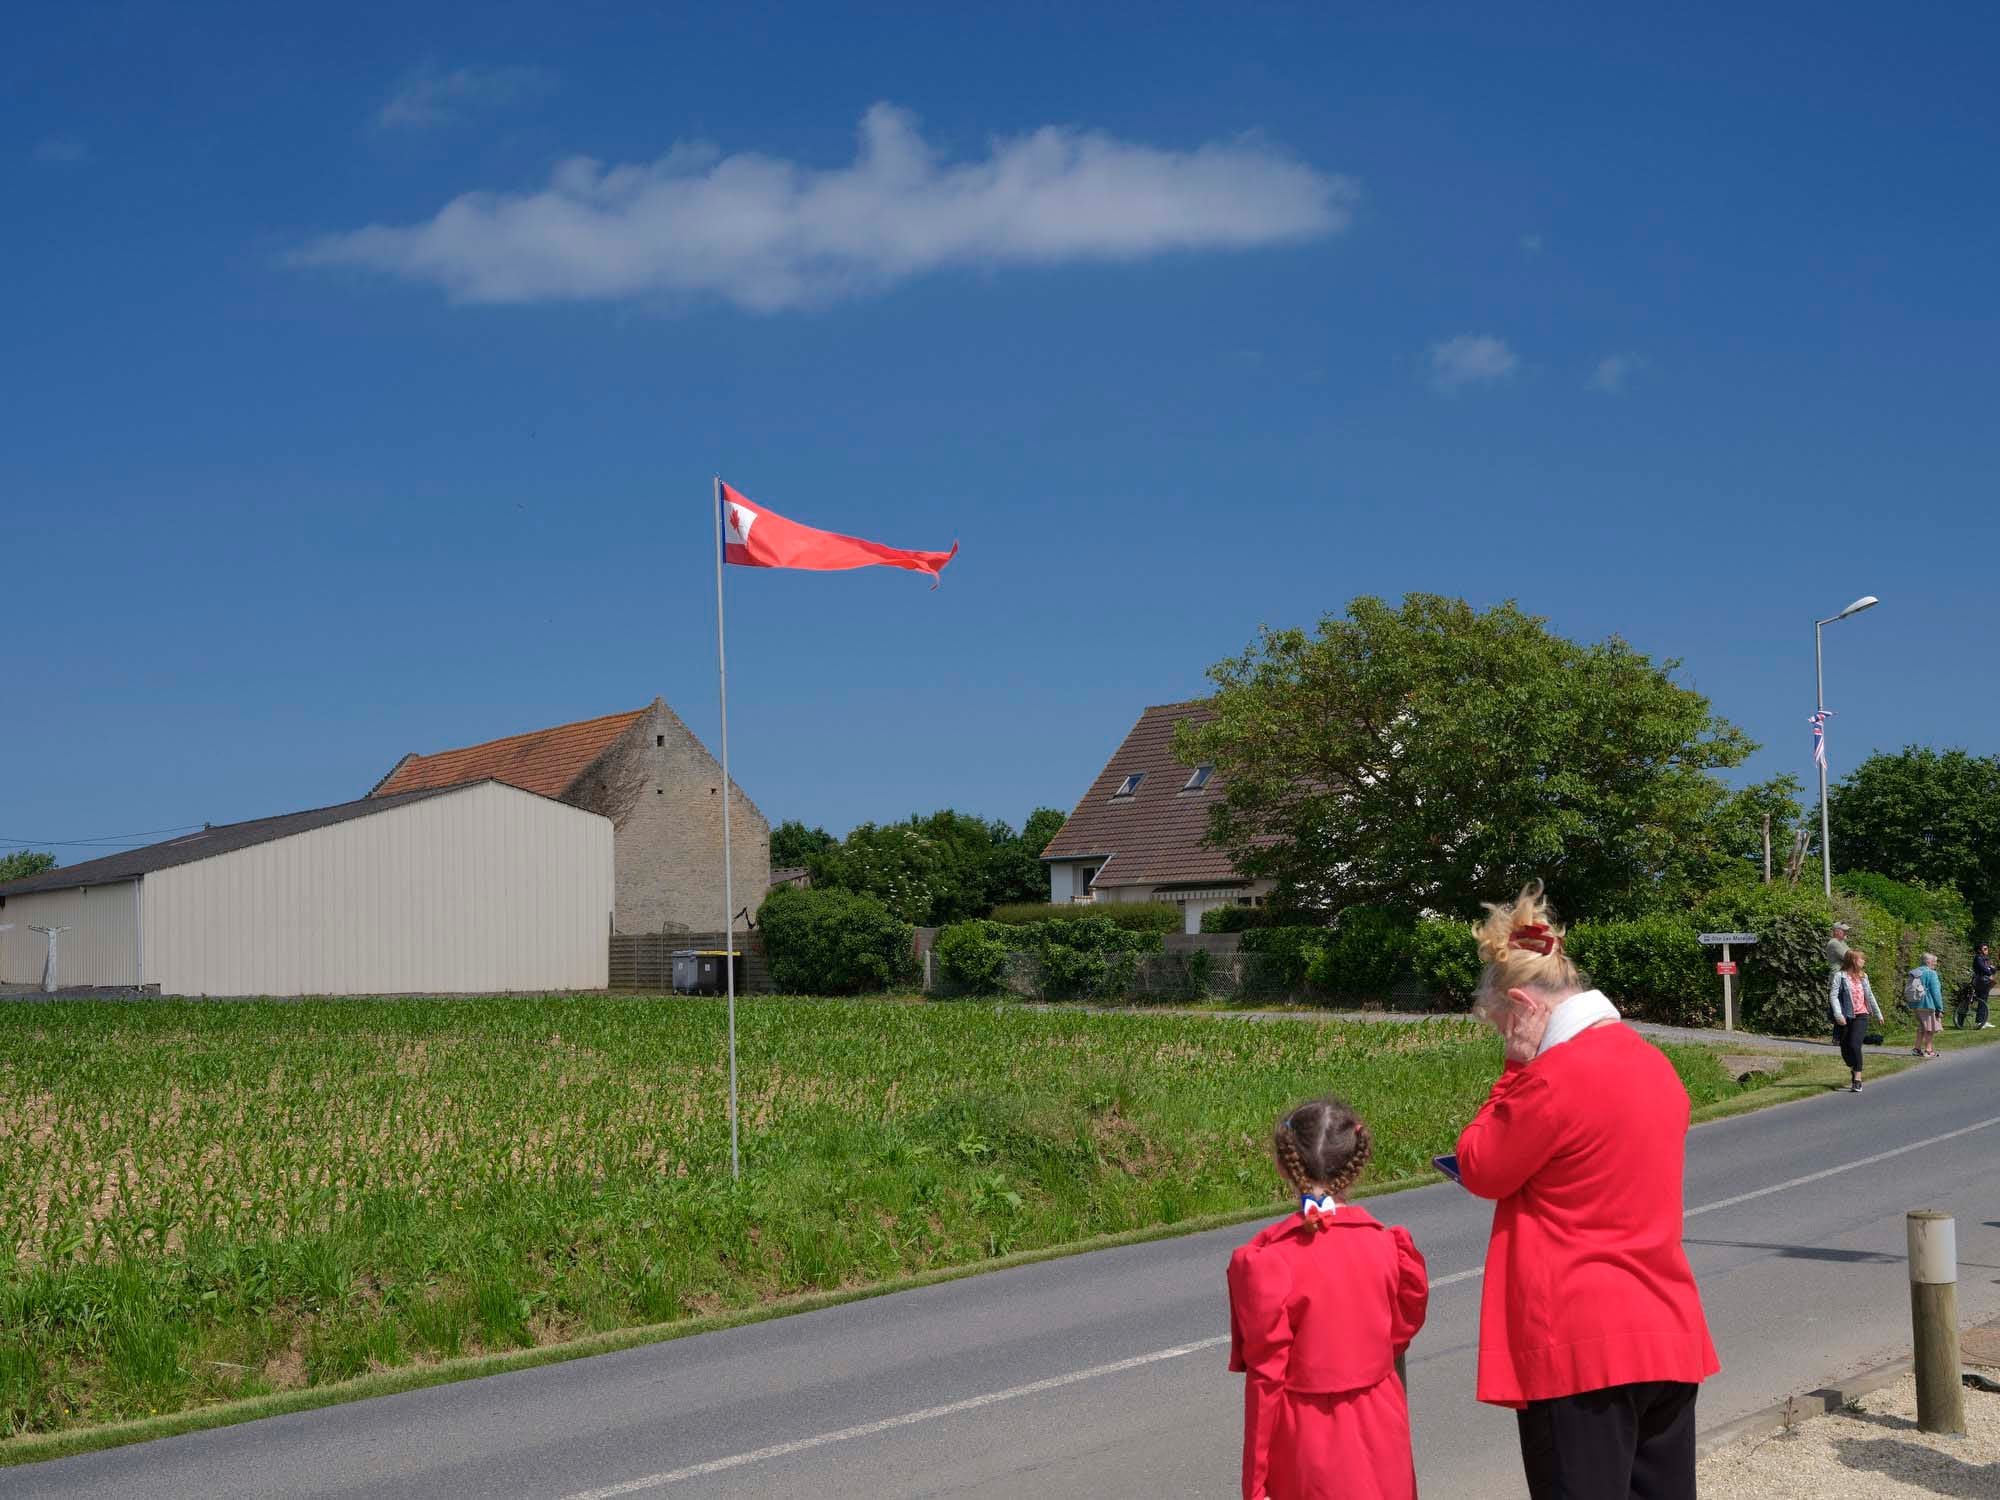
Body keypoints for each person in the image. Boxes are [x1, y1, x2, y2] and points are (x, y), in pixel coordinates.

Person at [1455, 882, 1717, 1500]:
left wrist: (1513, 1069)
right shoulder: (1654, 1064)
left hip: (1580, 1344)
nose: (1503, 1035)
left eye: (1501, 1023)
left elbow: (1480, 1165)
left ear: (1522, 1006)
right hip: (1666, 1331)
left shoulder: (1550, 1078)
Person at [1227, 1096, 1429, 1500]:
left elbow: (1266, 1382)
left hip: (1309, 1439)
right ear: (1356, 1164)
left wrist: (1255, 1483)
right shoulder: (1387, 1245)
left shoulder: (1271, 1261)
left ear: (1282, 1165)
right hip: (1382, 1426)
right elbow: (1400, 1330)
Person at [1831, 948, 1877, 1092]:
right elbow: (1833, 996)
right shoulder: (1840, 976)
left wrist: (1878, 1013)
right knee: (1845, 1048)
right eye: (1861, 958)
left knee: (1855, 1045)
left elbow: (1869, 995)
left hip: (1862, 1015)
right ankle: (1853, 1066)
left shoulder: (1864, 976)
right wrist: (1838, 1015)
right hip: (1846, 1016)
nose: (1863, 961)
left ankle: (1857, 1078)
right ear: (1853, 961)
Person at [1906, 952, 1944, 1059]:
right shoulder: (1931, 973)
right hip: (1927, 1004)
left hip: (1915, 1003)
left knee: (1922, 1026)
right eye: (1934, 961)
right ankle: (1928, 1050)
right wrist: (1940, 1008)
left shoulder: (1915, 972)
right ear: (1928, 962)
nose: (1935, 964)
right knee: (1930, 1028)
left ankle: (1917, 1049)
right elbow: (1936, 992)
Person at [1969, 943, 1996, 1030]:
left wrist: (1990, 970)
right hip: (1980, 981)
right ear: (1979, 950)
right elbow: (1984, 969)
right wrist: (1989, 971)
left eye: (1987, 948)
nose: (1987, 950)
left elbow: (1993, 969)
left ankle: (1983, 1020)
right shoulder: (1978, 958)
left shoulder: (1985, 958)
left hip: (1984, 981)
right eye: (1985, 949)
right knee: (1982, 1000)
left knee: (1984, 1000)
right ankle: (1980, 1022)